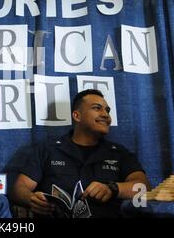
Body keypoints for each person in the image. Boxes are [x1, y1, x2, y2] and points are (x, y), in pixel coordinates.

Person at [10, 89, 150, 218]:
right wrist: (31, 199)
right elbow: (19, 188)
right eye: (97, 108)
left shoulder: (119, 153)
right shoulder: (48, 149)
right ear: (77, 116)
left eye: (107, 110)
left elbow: (143, 187)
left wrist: (113, 188)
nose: (105, 115)